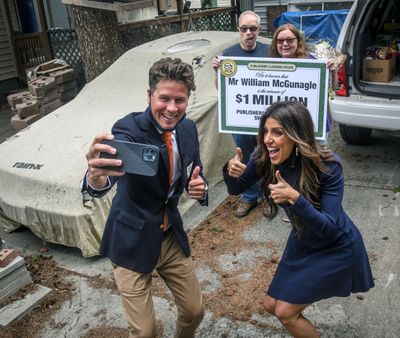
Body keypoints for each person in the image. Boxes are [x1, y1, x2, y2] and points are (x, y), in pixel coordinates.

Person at [223, 101, 374, 338]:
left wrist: (296, 199)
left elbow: (330, 229)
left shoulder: (328, 166)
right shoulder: (265, 156)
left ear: (297, 134)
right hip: (303, 238)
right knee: (270, 305)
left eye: (277, 132)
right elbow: (236, 188)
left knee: (285, 312)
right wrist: (231, 170)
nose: (267, 139)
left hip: (337, 246)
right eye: (265, 131)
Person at [82, 57, 208, 338]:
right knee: (145, 332)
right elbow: (107, 174)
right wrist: (96, 178)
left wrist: (200, 187)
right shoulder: (129, 130)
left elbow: (194, 172)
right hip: (131, 239)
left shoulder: (188, 129)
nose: (172, 108)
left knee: (194, 310)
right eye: (164, 98)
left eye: (180, 100)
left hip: (169, 235)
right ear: (149, 96)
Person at [212, 10, 269, 218]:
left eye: (253, 28)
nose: (248, 33)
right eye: (244, 29)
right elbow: (221, 88)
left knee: (268, 156)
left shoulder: (270, 51)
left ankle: (267, 196)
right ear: (238, 30)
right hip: (240, 119)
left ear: (258, 30)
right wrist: (217, 72)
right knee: (244, 156)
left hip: (266, 120)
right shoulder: (227, 55)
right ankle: (249, 196)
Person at [269, 23, 337, 143]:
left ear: (298, 41)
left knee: (315, 160)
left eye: (289, 40)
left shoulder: (313, 63)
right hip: (285, 127)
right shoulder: (270, 65)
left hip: (313, 128)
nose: (285, 44)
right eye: (280, 41)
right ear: (275, 43)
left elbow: (332, 89)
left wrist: (332, 72)